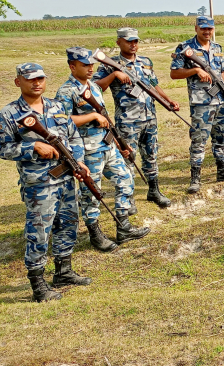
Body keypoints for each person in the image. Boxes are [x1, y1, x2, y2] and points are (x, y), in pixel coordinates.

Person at [0, 63, 91, 301]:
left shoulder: (57, 106)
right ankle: (38, 284)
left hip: (66, 178)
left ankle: (63, 271)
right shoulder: (10, 114)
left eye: (40, 78)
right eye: (30, 79)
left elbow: (73, 136)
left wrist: (78, 161)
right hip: (39, 184)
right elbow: (3, 147)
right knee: (39, 231)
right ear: (18, 82)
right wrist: (32, 147)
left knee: (68, 223)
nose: (36, 83)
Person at [55, 47, 150, 251]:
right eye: (84, 65)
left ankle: (123, 226)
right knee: (92, 192)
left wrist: (118, 143)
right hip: (87, 150)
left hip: (107, 145)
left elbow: (105, 119)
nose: (90, 68)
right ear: (72, 66)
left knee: (125, 178)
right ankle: (95, 233)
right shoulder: (66, 91)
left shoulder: (94, 87)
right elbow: (61, 121)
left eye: (91, 64)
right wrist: (91, 117)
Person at [93, 27, 178, 208]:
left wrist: (168, 101)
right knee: (128, 158)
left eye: (136, 41)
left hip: (150, 119)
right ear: (119, 42)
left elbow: (154, 86)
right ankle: (128, 198)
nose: (133, 44)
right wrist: (115, 74)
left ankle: (154, 191)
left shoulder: (145, 62)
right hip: (127, 121)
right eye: (129, 41)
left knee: (151, 156)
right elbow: (95, 88)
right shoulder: (110, 64)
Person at [171, 16, 224, 193]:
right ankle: (195, 178)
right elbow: (174, 73)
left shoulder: (217, 48)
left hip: (220, 101)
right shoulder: (186, 48)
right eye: (203, 28)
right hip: (201, 103)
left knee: (221, 137)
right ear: (196, 28)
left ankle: (222, 171)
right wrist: (195, 70)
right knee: (199, 140)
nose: (207, 32)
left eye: (210, 29)